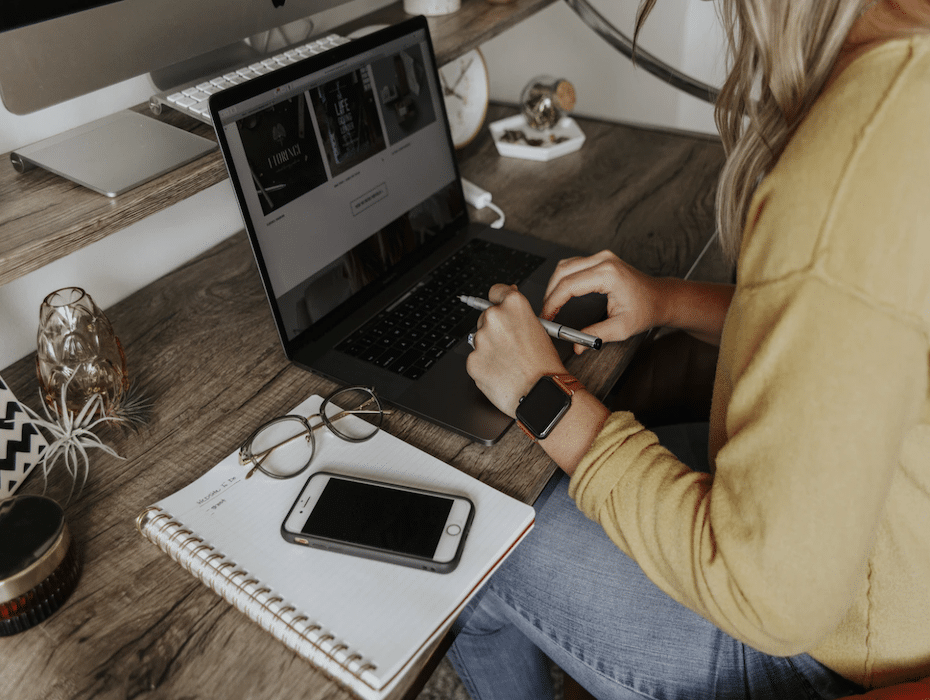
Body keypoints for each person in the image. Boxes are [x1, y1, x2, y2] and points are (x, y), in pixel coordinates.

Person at [448, 1, 930, 698]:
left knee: (475, 534)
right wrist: (665, 300)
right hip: (890, 561)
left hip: (828, 656)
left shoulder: (853, 166)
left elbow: (769, 598)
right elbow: (854, 343)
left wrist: (541, 393)